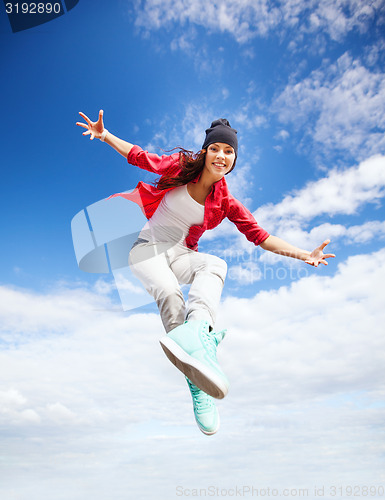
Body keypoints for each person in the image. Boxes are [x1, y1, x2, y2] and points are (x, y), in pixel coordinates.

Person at [76, 110, 335, 435]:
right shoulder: (179, 168)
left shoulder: (226, 202)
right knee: (170, 292)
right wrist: (105, 135)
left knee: (215, 264)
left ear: (234, 160)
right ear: (205, 151)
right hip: (146, 249)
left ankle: (199, 335)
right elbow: (139, 156)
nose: (222, 156)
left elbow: (261, 237)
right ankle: (196, 379)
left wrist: (304, 255)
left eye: (229, 152)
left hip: (182, 254)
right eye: (216, 149)